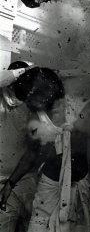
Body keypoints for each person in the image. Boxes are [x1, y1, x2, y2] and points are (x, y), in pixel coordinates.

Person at [0, 67, 90, 232]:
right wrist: (9, 185)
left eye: (31, 98)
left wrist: (58, 167)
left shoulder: (77, 110)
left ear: (45, 94)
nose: (27, 103)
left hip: (76, 184)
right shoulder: (36, 117)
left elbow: (81, 161)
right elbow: (31, 154)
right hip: (49, 185)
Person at [0, 61, 36, 232]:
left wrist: (11, 183)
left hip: (25, 180)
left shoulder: (31, 106)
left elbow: (33, 150)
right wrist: (19, 72)